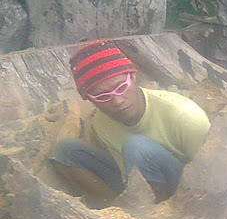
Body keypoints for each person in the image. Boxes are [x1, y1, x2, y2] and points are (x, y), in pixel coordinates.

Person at [49, 40, 211, 207]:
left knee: (136, 147)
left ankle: (155, 214)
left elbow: (211, 179)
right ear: (89, 99)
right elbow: (129, 174)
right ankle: (114, 210)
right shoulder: (101, 122)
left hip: (188, 187)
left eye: (121, 87)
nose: (117, 101)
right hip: (140, 181)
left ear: (133, 77)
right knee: (65, 151)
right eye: (103, 96)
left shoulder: (185, 116)